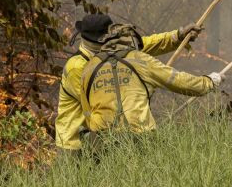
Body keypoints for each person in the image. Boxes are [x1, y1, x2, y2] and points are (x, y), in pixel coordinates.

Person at [55, 13, 203, 152]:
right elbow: (105, 104)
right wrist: (142, 89)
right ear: (101, 40)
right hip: (75, 145)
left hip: (101, 140)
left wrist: (178, 36)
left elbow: (143, 45)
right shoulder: (78, 67)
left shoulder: (109, 53)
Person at [79, 23, 223, 136]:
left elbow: (87, 111)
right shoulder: (140, 59)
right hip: (138, 137)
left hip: (100, 140)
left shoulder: (89, 67)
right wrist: (209, 82)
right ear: (131, 42)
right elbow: (178, 80)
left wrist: (178, 36)